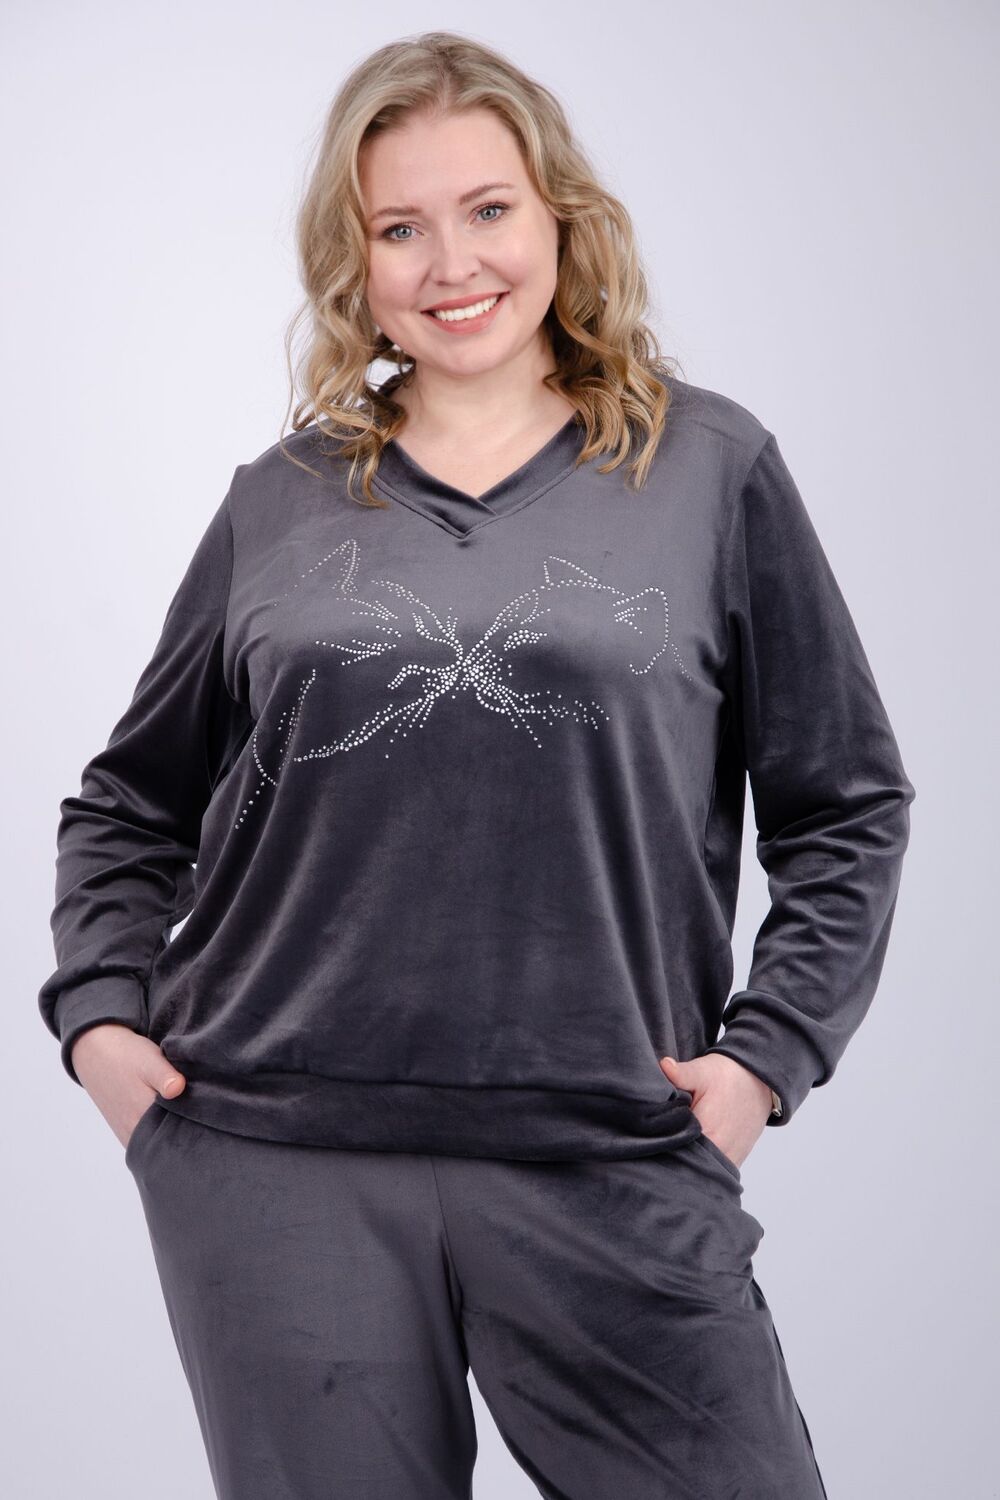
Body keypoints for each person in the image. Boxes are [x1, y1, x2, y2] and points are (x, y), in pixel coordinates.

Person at [38, 30, 915, 1500]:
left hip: (611, 1148)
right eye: (401, 227)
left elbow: (847, 806)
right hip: (276, 1158)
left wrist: (765, 1062)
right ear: (356, 260)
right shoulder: (280, 500)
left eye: (489, 209)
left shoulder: (709, 471)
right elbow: (131, 800)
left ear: (560, 218)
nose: (453, 264)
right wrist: (101, 1025)